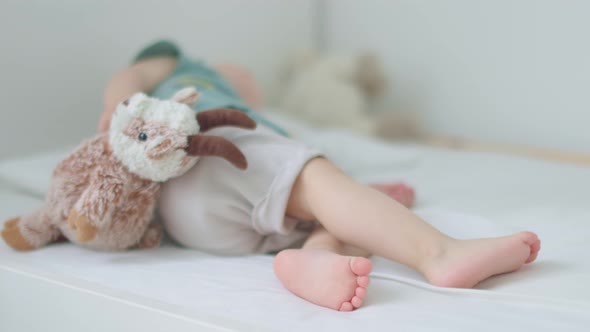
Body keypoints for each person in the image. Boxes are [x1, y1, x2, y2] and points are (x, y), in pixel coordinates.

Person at [99, 41, 540, 311]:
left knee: (327, 212)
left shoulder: (268, 130)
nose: (250, 83)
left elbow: (314, 197)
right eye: (245, 77)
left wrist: (367, 195)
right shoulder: (185, 75)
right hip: (207, 153)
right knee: (317, 182)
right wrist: (116, 113)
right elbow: (131, 76)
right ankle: (439, 252)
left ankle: (317, 258)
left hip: (197, 225)